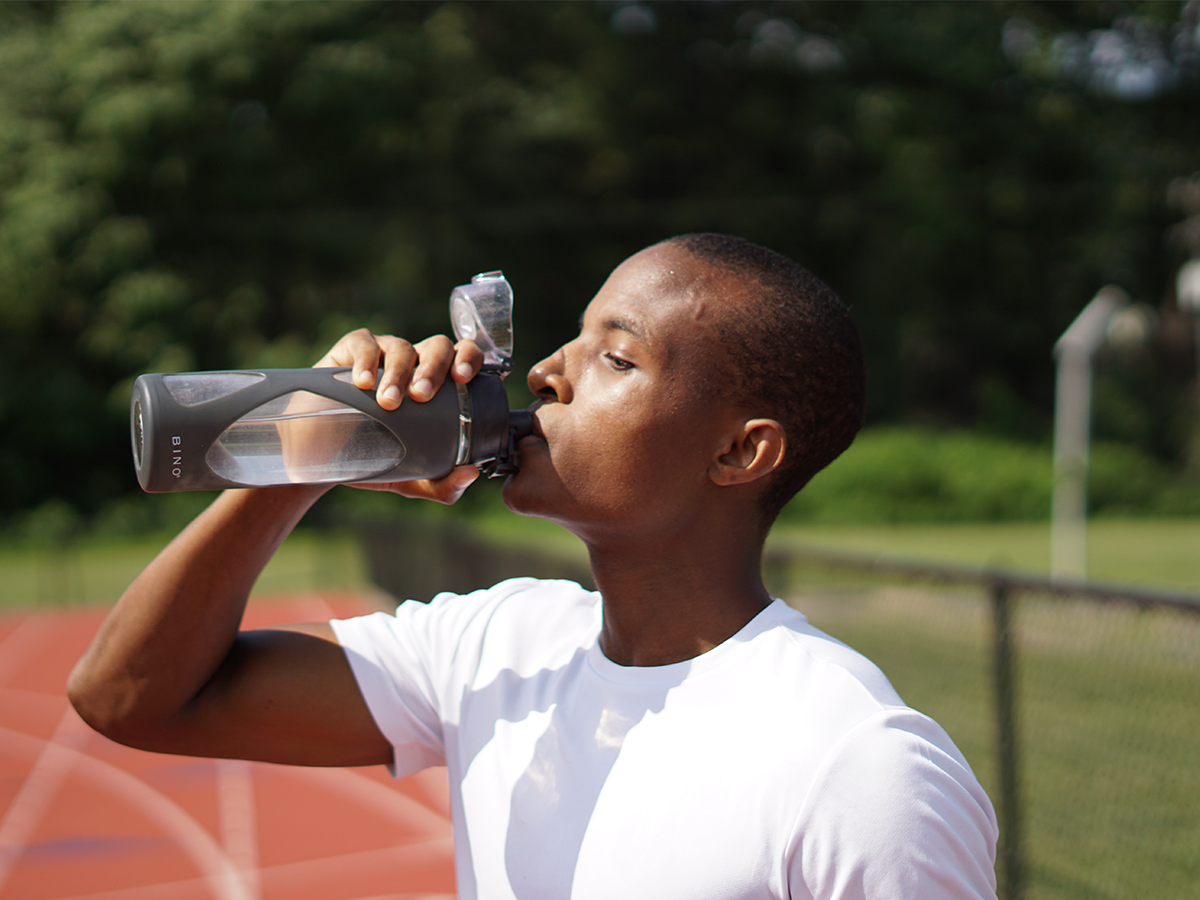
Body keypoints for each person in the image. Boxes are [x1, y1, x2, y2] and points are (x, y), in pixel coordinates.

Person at [69, 234, 999, 899]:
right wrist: (307, 450)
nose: (549, 373)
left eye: (617, 358)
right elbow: (130, 697)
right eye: (573, 338)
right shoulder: (500, 644)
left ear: (739, 454)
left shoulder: (858, 763)